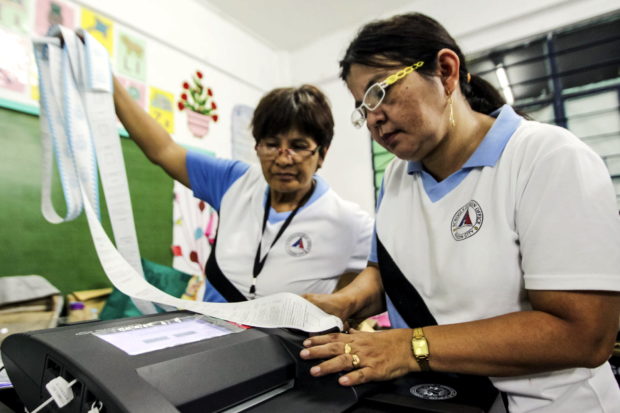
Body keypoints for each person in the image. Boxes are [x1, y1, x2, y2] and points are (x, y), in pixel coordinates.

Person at [299, 12, 620, 412]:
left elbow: (585, 333)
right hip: (445, 399)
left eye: (379, 93)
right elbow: (389, 275)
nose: (373, 118)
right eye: (362, 108)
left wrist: (406, 347)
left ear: (446, 72)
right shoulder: (397, 178)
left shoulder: (547, 157)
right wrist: (344, 303)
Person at [113, 81, 373, 302]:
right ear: (258, 147)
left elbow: (382, 280)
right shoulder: (233, 181)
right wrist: (108, 81)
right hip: (212, 342)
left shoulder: (349, 221)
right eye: (272, 145)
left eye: (298, 146)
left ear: (322, 154)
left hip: (288, 357)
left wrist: (346, 306)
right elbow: (163, 150)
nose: (283, 160)